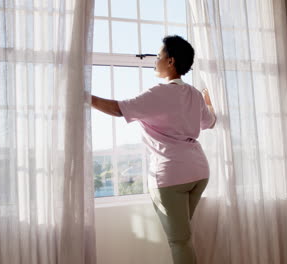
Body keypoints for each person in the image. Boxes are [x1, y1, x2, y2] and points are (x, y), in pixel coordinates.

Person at [91, 35, 216, 264]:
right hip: (199, 172)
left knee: (179, 241)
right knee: (183, 236)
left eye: (158, 56)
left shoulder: (159, 93)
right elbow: (210, 122)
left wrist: (86, 98)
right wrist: (208, 103)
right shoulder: (195, 95)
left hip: (171, 175)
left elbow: (120, 109)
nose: (155, 61)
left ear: (171, 61)